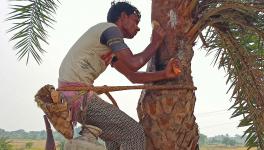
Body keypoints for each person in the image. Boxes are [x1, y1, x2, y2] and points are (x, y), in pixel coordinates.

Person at [58, 1, 180, 150]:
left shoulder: (109, 46)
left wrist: (164, 74)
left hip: (73, 98)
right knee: (134, 134)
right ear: (123, 16)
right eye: (135, 21)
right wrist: (155, 43)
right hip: (78, 96)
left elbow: (133, 76)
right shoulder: (110, 30)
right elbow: (134, 63)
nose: (138, 28)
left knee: (115, 141)